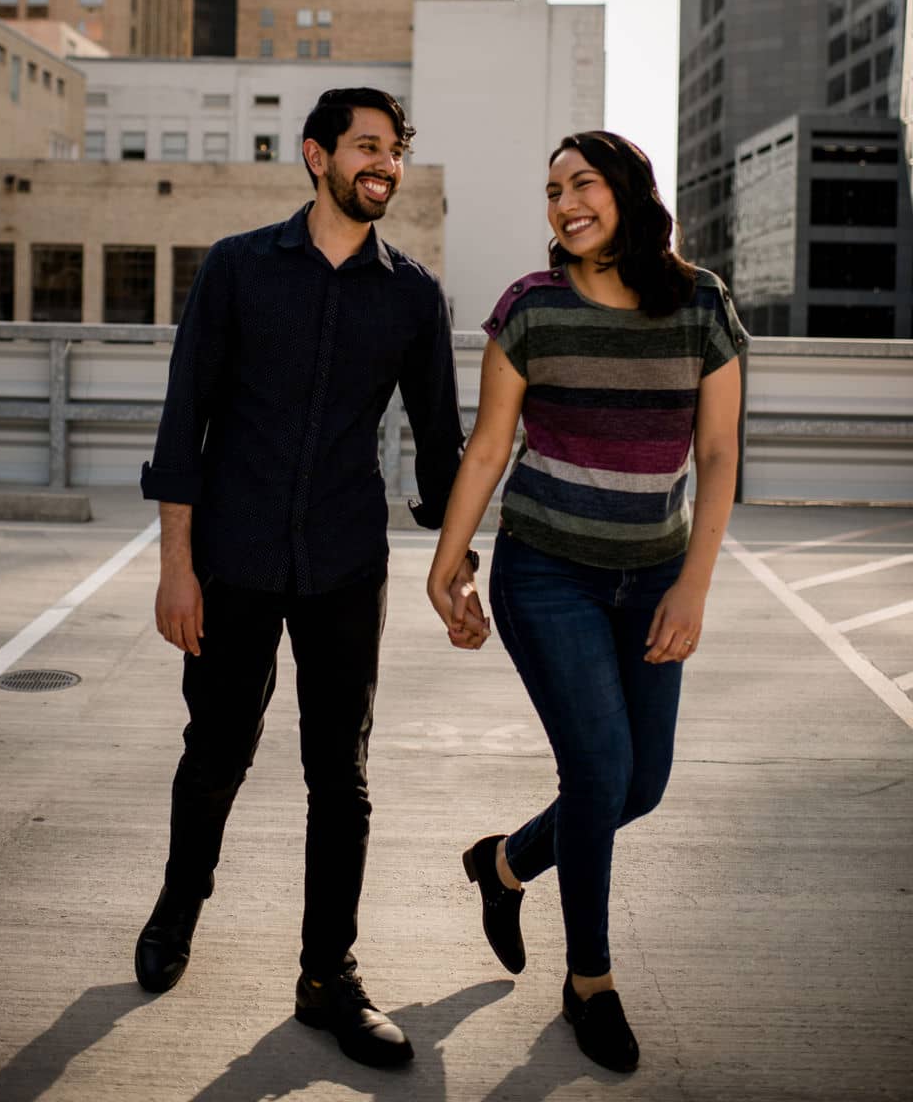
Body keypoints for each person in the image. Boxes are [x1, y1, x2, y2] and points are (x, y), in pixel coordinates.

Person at [136, 87, 487, 1070]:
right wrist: (176, 569)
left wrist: (457, 568)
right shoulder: (240, 269)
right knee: (216, 749)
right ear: (316, 154)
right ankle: (178, 905)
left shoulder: (413, 297)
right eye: (365, 146)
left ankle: (327, 975)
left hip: (342, 563)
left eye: (395, 150)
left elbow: (439, 450)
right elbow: (183, 426)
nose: (383, 163)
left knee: (342, 775)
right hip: (232, 559)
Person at [426, 130, 747, 1075]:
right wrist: (449, 565)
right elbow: (488, 448)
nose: (565, 201)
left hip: (655, 574)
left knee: (638, 786)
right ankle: (590, 983)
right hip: (548, 573)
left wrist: (693, 584)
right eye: (553, 187)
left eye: (584, 182)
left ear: (629, 194)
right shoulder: (531, 308)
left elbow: (722, 453)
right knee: (601, 771)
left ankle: (505, 864)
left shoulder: (700, 303)